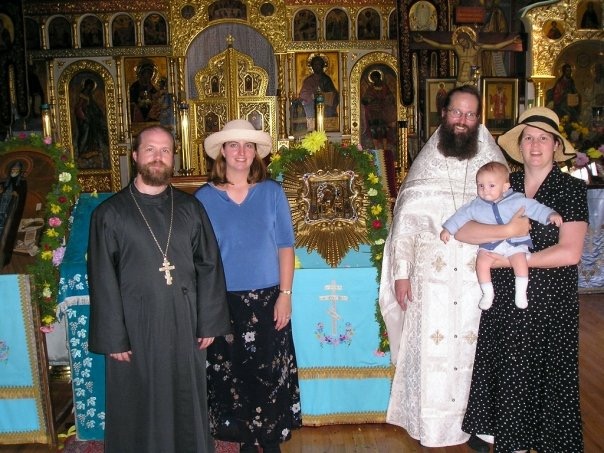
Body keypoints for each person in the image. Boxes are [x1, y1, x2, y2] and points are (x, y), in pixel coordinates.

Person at [378, 85, 509, 449]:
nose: (463, 121)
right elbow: (405, 226)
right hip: (430, 280)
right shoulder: (426, 165)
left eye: (470, 114)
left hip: (476, 278)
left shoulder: (492, 160)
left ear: (478, 118)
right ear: (444, 115)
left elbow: (509, 214)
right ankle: (432, 427)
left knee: (476, 353)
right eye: (456, 113)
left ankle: (480, 427)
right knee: (433, 353)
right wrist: (401, 276)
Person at [88, 125, 231, 453]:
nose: (158, 157)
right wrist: (113, 337)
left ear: (173, 158)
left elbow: (209, 264)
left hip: (184, 322)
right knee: (137, 399)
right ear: (135, 155)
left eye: (165, 151)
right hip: (134, 328)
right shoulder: (109, 214)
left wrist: (208, 322)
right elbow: (102, 278)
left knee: (185, 397)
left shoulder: (190, 209)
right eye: (150, 149)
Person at [460, 107, 587, 452]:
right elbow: (465, 228)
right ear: (519, 144)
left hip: (550, 302)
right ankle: (511, 442)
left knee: (546, 376)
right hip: (506, 301)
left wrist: (517, 260)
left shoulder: (570, 189)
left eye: (543, 138)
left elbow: (571, 252)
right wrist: (507, 230)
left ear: (556, 146)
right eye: (528, 137)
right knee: (511, 374)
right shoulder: (503, 183)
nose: (535, 144)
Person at [196, 119, 302, 453]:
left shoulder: (272, 192)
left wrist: (285, 296)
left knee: (269, 373)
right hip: (223, 301)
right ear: (222, 153)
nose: (241, 153)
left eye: (248, 146)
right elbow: (199, 258)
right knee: (233, 374)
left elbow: (286, 246)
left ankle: (269, 440)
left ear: (256, 153)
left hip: (269, 298)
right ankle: (243, 439)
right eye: (233, 145)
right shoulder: (202, 198)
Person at [440, 161, 563, 310]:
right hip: (491, 245)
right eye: (481, 186)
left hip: (515, 243)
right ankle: (487, 293)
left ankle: (521, 292)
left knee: (520, 261)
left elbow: (535, 208)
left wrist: (550, 215)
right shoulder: (476, 205)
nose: (485, 190)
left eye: (491, 186)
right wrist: (448, 229)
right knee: (481, 263)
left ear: (505, 187)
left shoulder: (516, 200)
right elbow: (460, 216)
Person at [414, 26, 521, 84]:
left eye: (463, 41)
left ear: (468, 38)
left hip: (472, 78)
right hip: (461, 78)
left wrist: (511, 41)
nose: (461, 43)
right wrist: (424, 39)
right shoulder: (458, 48)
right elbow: (439, 45)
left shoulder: (477, 47)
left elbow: (495, 46)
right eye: (460, 42)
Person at [74, 78, 109, 169]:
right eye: (88, 86)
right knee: (85, 135)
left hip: (91, 120)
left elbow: (93, 107)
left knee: (92, 135)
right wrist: (84, 117)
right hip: (85, 121)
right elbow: (79, 107)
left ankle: (91, 150)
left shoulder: (89, 96)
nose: (89, 88)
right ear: (86, 86)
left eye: (90, 87)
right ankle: (83, 151)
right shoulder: (83, 95)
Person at [0, 160, 27, 267]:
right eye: (13, 169)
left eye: (16, 169)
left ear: (20, 171)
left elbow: (21, 197)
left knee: (5, 235)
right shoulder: (4, 182)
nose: (14, 171)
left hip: (10, 213)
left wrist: (16, 195)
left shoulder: (22, 183)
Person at [299, 55, 339, 126]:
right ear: (312, 66)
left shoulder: (326, 79)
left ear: (322, 66)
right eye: (315, 64)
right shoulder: (308, 80)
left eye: (319, 64)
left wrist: (324, 95)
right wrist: (312, 95)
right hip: (311, 108)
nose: (317, 66)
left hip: (325, 109)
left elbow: (333, 95)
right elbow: (303, 95)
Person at [361, 69, 396, 150]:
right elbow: (365, 99)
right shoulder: (371, 88)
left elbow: (391, 97)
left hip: (383, 111)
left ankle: (384, 147)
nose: (374, 80)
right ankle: (376, 147)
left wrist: (385, 99)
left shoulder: (385, 87)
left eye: (376, 78)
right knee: (373, 128)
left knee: (383, 129)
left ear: (379, 77)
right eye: (373, 78)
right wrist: (370, 99)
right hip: (373, 112)